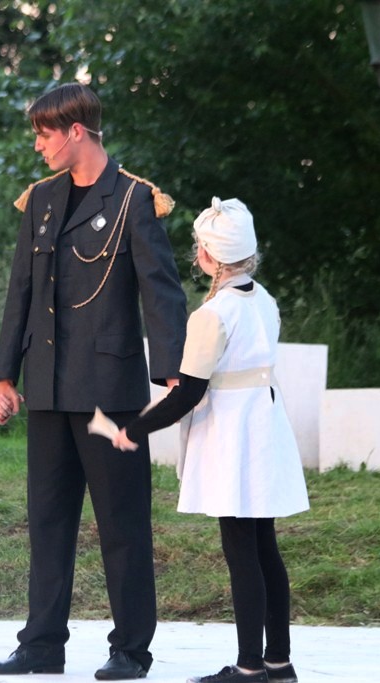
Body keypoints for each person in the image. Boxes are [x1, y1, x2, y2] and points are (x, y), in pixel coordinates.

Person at [0, 83, 188, 680]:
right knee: (48, 522)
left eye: (44, 133)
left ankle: (131, 650)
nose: (38, 145)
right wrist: (3, 375)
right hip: (47, 386)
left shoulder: (132, 198)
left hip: (108, 392)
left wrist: (172, 371)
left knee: (122, 524)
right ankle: (42, 645)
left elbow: (161, 290)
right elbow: (20, 291)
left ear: (76, 131)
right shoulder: (41, 200)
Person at [110, 197, 310, 683]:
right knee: (265, 547)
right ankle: (278, 662)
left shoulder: (213, 314)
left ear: (209, 257)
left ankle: (249, 666)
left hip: (233, 435)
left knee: (242, 551)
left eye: (200, 246)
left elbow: (188, 393)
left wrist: (134, 429)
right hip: (265, 424)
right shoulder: (265, 301)